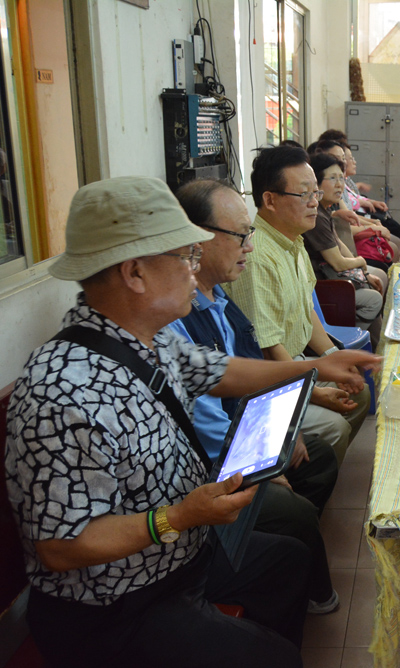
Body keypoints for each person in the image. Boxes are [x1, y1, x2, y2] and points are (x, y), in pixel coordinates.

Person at [3, 176, 379, 668]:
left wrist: (316, 367)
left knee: (288, 561)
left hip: (182, 556)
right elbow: (61, 545)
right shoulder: (63, 391)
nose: (195, 267)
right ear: (135, 273)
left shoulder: (150, 338)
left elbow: (222, 371)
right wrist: (179, 517)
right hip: (116, 604)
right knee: (276, 658)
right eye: (186, 256)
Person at [168, 178, 343, 615]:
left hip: (239, 444)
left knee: (317, 458)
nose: (249, 245)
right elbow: (206, 419)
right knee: (291, 514)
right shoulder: (168, 324)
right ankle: (302, 576)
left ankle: (290, 549)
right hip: (205, 479)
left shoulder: (217, 301)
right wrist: (258, 465)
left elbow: (238, 374)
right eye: (241, 235)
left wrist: (279, 433)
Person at [225, 145, 370, 466]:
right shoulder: (256, 256)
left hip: (296, 362)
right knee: (334, 427)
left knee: (358, 389)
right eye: (304, 194)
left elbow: (307, 312)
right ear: (270, 200)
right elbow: (267, 347)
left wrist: (332, 358)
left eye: (315, 193)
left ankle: (319, 469)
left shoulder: (293, 241)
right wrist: (315, 392)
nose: (314, 202)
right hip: (268, 379)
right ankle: (302, 478)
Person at [302, 153, 385, 344]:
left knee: (374, 282)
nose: (339, 184)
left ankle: (375, 344)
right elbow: (338, 263)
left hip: (333, 278)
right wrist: (361, 262)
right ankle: (346, 341)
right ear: (316, 183)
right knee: (373, 299)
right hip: (325, 285)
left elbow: (338, 243)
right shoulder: (316, 216)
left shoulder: (325, 210)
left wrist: (364, 272)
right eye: (332, 178)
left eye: (341, 178)